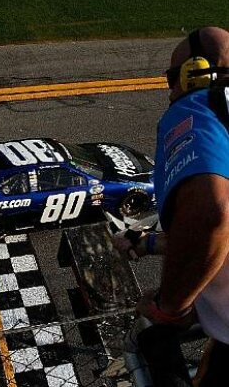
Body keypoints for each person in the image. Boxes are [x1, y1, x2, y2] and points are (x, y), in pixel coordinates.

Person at [118, 27, 229, 386]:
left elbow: (213, 214)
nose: (169, 88)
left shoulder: (201, 108)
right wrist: (151, 242)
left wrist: (172, 307)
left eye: (170, 77)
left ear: (193, 73)